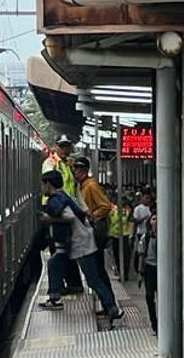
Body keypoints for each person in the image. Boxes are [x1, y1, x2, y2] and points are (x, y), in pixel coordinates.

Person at [38, 171, 123, 322]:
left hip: (80, 242)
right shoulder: (64, 196)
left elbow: (69, 217)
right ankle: (54, 297)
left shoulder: (56, 199)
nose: (42, 187)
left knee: (93, 279)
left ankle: (113, 309)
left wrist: (49, 218)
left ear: (49, 184)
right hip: (77, 240)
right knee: (54, 263)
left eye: (43, 184)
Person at [40, 135, 83, 295]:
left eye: (67, 146)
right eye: (62, 146)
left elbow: (74, 188)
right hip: (55, 207)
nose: (65, 150)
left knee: (63, 249)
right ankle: (69, 283)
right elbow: (49, 184)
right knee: (60, 248)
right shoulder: (51, 163)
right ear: (56, 146)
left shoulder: (67, 164)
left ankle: (69, 284)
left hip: (65, 208)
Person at [71, 156, 115, 293]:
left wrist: (91, 216)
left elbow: (106, 206)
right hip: (91, 232)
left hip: (96, 233)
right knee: (96, 269)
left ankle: (109, 303)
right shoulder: (83, 186)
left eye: (76, 170)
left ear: (83, 171)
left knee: (98, 269)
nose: (74, 173)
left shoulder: (91, 186)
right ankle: (106, 303)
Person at [138, 213, 159, 333]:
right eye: (154, 219)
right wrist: (140, 273)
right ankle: (153, 322)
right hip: (149, 269)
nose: (156, 222)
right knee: (149, 296)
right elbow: (141, 254)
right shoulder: (145, 237)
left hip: (160, 269)